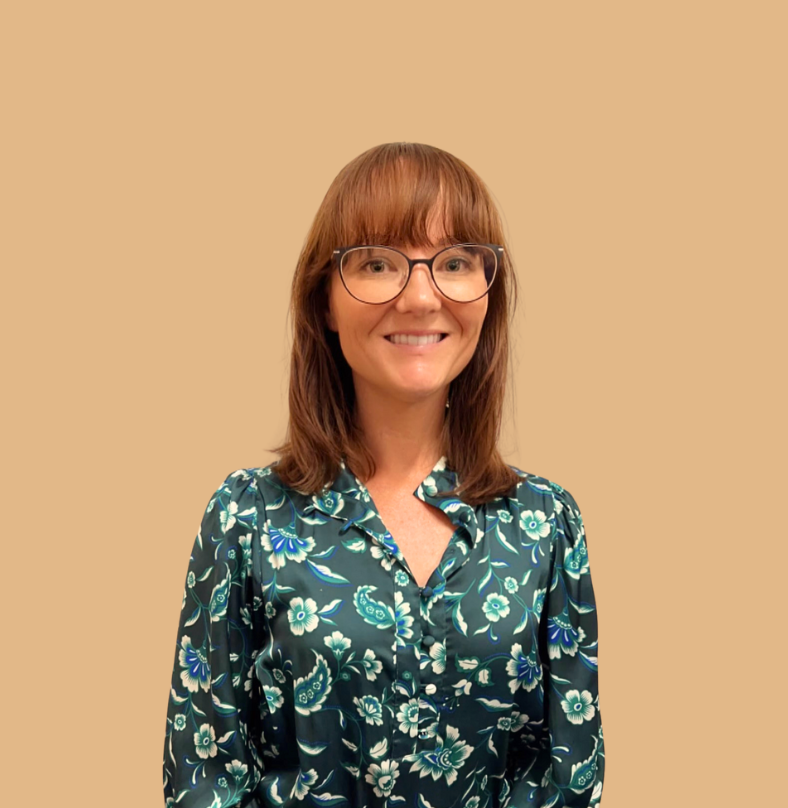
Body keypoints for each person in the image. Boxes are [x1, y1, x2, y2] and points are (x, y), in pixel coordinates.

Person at [162, 142, 605, 807]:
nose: (421, 296)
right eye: (376, 263)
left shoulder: (544, 521)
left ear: (489, 298)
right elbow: (205, 776)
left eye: (455, 262)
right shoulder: (245, 518)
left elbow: (570, 775)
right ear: (324, 303)